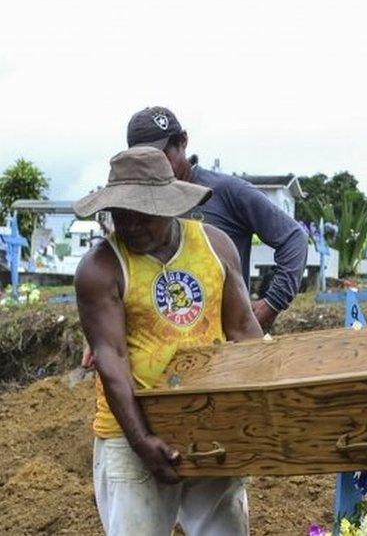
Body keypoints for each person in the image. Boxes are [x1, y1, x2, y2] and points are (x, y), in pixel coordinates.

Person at [74, 146, 264, 535]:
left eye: (142, 213)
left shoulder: (215, 247)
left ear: (168, 205)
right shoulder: (101, 267)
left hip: (210, 421)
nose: (130, 225)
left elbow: (245, 332)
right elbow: (111, 357)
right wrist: (142, 439)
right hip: (131, 431)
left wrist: (261, 416)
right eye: (120, 214)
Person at [126, 106, 308, 331]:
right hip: (160, 341)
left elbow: (294, 238)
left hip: (225, 338)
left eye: (160, 156)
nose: (153, 168)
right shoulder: (135, 208)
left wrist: (272, 303)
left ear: (182, 142)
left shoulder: (226, 192)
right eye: (143, 161)